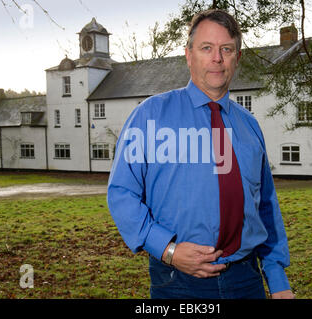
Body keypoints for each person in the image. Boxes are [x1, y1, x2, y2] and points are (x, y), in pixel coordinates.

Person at [107, 9, 294, 299]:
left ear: (237, 57)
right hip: (177, 282)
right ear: (188, 54)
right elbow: (121, 193)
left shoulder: (250, 127)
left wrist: (277, 278)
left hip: (247, 280)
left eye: (226, 49)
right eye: (207, 48)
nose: (217, 58)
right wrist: (167, 249)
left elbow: (266, 205)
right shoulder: (149, 116)